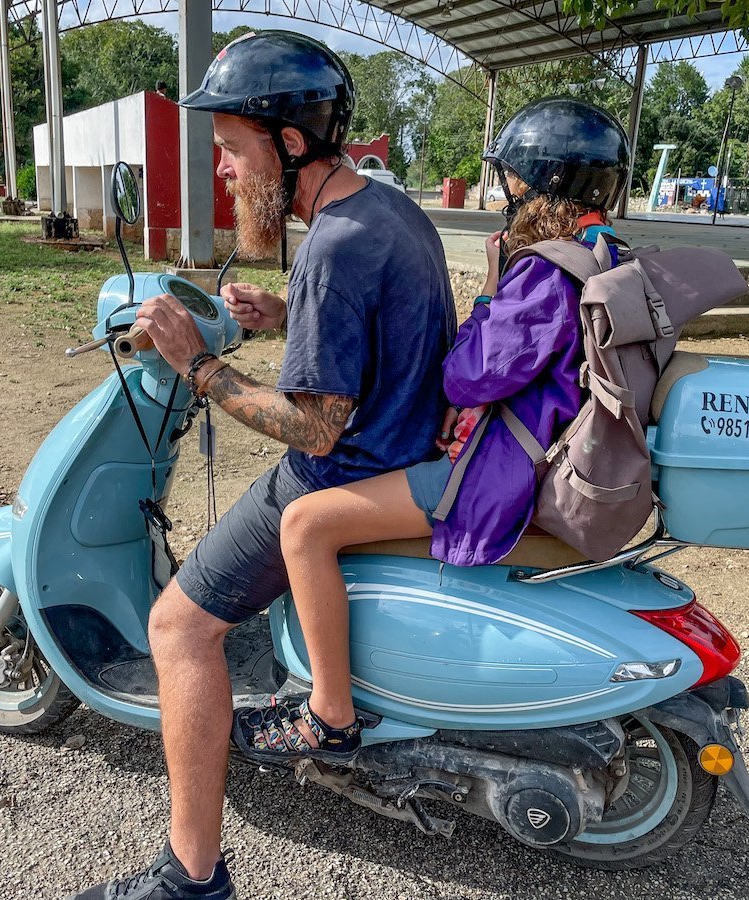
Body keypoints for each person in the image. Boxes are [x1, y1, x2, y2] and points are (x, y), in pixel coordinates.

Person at [70, 31, 456, 900]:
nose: (226, 174)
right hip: (404, 450)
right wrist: (290, 313)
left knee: (178, 628)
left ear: (289, 143)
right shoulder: (389, 212)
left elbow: (314, 429)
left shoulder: (334, 245)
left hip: (341, 473)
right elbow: (394, 336)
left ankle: (190, 878)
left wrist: (198, 368)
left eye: (233, 151)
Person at [230, 98, 631, 766]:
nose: (505, 192)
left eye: (511, 180)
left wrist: (490, 288)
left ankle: (329, 714)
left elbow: (472, 375)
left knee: (305, 524)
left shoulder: (545, 270)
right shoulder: (603, 252)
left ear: (539, 184)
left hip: (496, 471)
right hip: (536, 450)